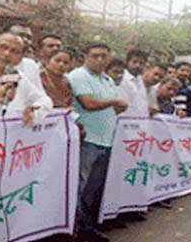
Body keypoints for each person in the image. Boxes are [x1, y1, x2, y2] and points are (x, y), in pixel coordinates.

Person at [67, 43, 127, 242]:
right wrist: (114, 102)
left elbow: (114, 107)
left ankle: (87, 227)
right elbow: (88, 104)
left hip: (105, 140)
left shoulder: (107, 79)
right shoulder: (78, 76)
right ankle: (77, 230)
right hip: (87, 140)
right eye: (95, 56)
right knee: (80, 187)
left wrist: (117, 106)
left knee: (93, 188)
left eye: (103, 56)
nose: (100, 60)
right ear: (85, 55)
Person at [119, 48, 149, 116]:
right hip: (124, 121)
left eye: (141, 63)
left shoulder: (140, 80)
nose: (137, 65)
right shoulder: (121, 79)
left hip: (139, 122)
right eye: (134, 62)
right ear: (127, 62)